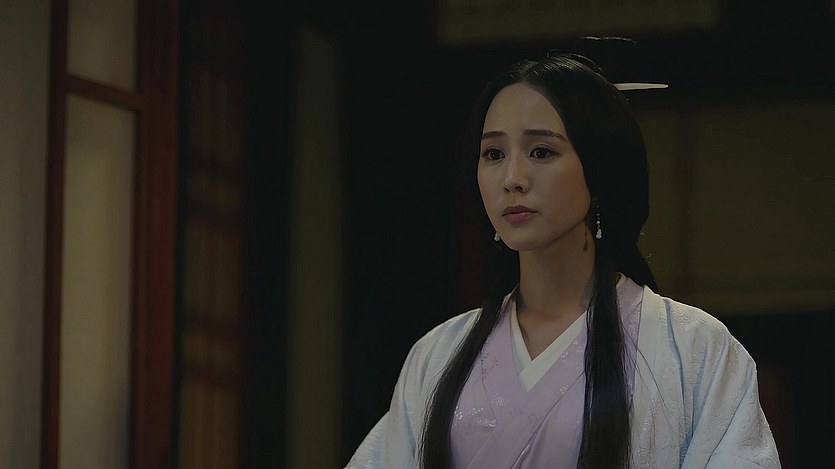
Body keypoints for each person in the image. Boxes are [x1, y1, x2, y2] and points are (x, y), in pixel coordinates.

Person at [345, 40, 781, 469]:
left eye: (541, 151)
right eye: (493, 153)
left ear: (599, 165)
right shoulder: (438, 355)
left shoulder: (692, 347)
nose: (512, 178)